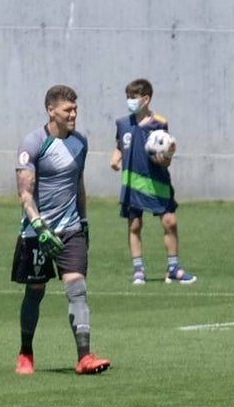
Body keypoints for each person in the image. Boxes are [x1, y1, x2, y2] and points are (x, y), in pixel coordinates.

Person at [11, 84, 111, 376]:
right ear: (51, 110)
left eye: (75, 110)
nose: (73, 115)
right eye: (68, 110)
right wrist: (39, 226)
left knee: (77, 289)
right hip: (37, 231)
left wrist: (85, 221)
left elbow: (78, 183)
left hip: (71, 229)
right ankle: (26, 352)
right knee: (35, 292)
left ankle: (84, 357)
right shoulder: (32, 143)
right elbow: (24, 193)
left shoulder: (80, 143)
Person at [109, 78, 196, 285]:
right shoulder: (123, 123)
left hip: (157, 183)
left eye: (133, 97)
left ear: (145, 99)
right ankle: (138, 270)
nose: (129, 101)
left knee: (170, 222)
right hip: (132, 184)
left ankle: (174, 268)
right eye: (128, 97)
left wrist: (164, 159)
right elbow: (121, 144)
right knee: (135, 225)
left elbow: (166, 153)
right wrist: (116, 158)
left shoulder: (159, 123)